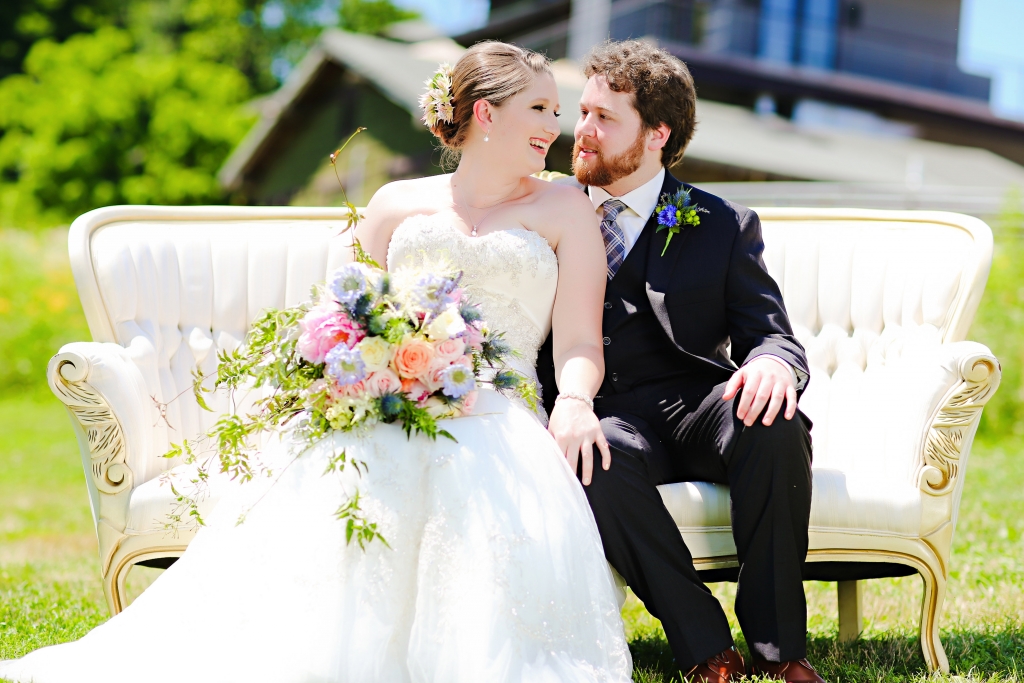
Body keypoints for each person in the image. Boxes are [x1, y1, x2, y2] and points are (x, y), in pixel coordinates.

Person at [0, 42, 632, 683]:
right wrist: (355, 367)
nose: (556, 128)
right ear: (485, 113)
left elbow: (580, 341)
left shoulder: (564, 208)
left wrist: (575, 402)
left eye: (557, 110)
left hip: (500, 411)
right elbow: (343, 317)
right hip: (384, 402)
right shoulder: (394, 204)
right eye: (540, 108)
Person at [536, 40, 822, 683]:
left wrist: (776, 365)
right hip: (604, 410)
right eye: (582, 112)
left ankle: (780, 650)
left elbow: (771, 334)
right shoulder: (544, 212)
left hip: (695, 405)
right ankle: (703, 643)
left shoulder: (722, 223)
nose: (581, 131)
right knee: (592, 454)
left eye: (604, 118)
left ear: (657, 133)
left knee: (776, 424)